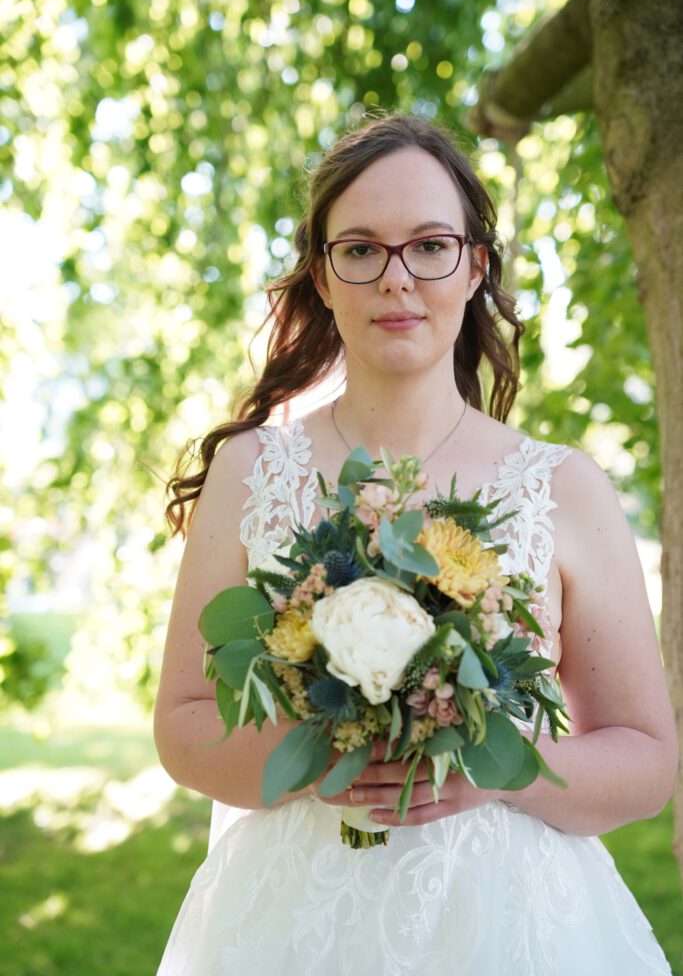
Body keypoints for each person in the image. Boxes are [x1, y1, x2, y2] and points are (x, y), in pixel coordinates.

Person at [154, 113, 677, 975]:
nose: (396, 279)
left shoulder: (561, 488)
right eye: (359, 249)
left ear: (473, 264)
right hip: (293, 923)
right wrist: (325, 758)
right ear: (322, 278)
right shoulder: (251, 473)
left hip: (511, 929)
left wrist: (491, 765)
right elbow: (181, 728)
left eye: (429, 246)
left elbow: (645, 760)